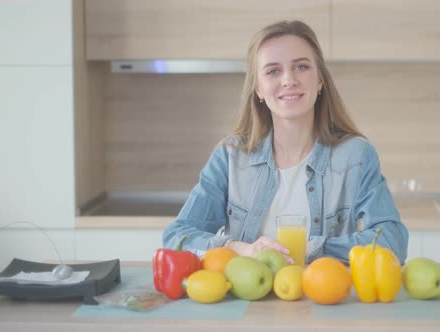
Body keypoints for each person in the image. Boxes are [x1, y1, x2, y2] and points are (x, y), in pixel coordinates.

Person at [163, 20, 408, 265]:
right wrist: (237, 249)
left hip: (325, 299)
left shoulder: (356, 156)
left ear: (320, 80)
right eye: (272, 71)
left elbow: (393, 243)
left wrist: (312, 248)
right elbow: (177, 238)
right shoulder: (230, 156)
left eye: (301, 66)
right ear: (258, 88)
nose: (289, 80)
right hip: (244, 300)